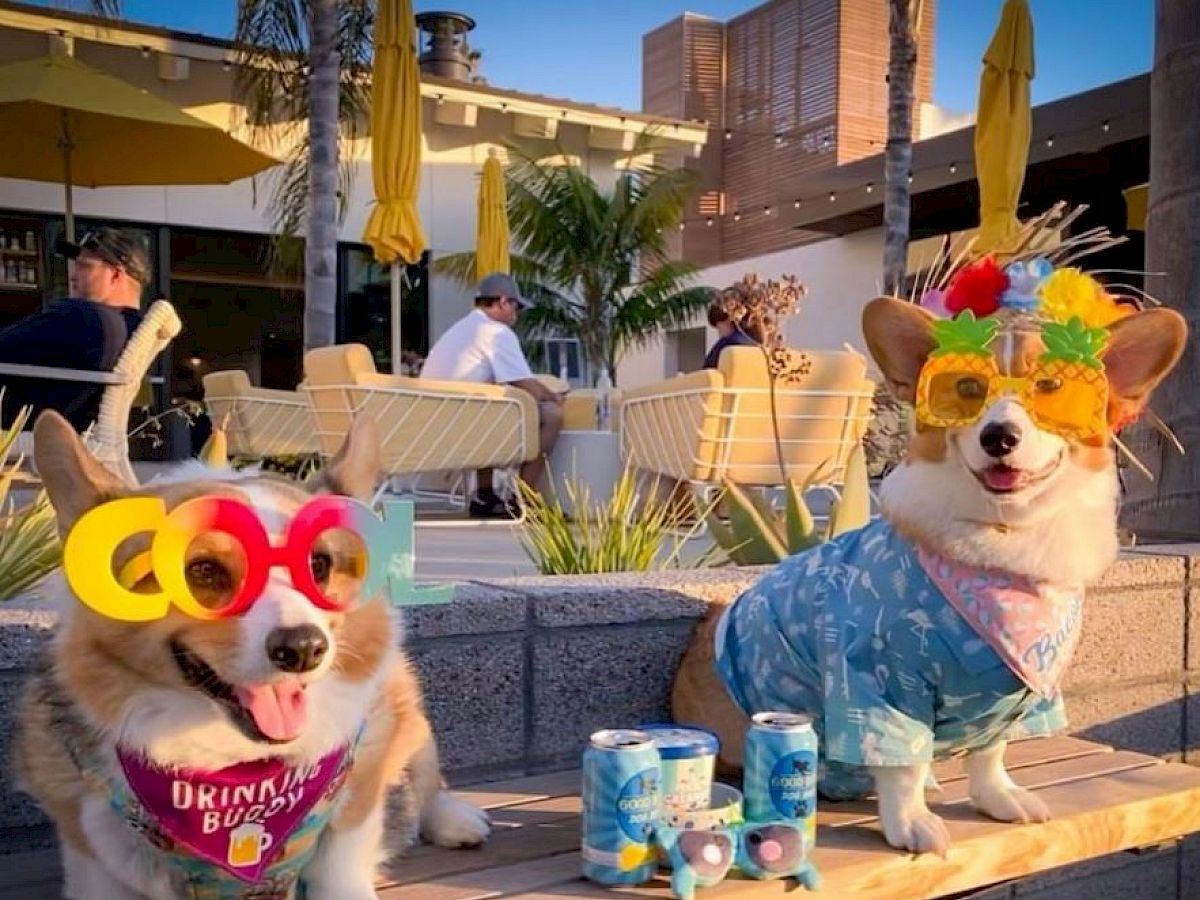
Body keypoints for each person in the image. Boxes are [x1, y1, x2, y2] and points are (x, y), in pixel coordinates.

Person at [421, 272, 563, 518]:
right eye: (516, 307)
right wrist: (554, 396)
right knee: (551, 415)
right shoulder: (495, 332)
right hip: (460, 425)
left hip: (434, 423)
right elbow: (526, 385)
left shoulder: (461, 329)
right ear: (503, 302)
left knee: (490, 407)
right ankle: (524, 499)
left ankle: (485, 495)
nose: (516, 315)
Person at [0, 228, 148, 432]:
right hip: (71, 432)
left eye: (84, 266)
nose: (72, 276)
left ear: (115, 274)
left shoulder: (83, 318)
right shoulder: (134, 330)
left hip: (25, 429)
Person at [703, 302, 759, 369]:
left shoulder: (725, 344)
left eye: (719, 328)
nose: (719, 333)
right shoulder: (756, 344)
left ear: (728, 320)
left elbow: (708, 369)